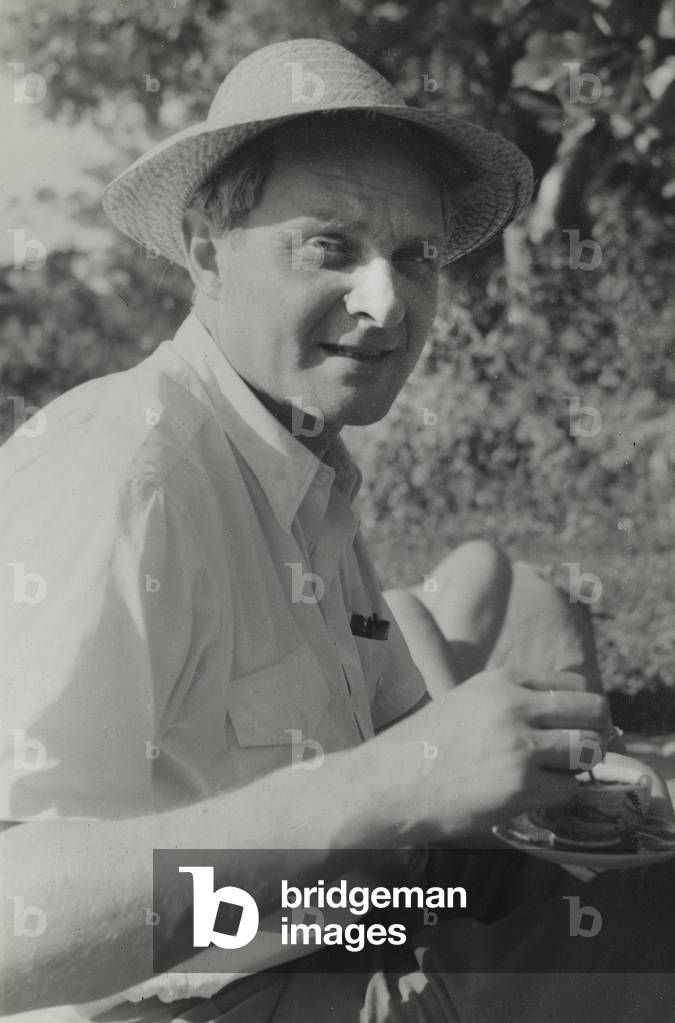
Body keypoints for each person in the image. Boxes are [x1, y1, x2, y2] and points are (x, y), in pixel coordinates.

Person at [1, 38, 673, 1023]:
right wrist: (390, 783)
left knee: (632, 896)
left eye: (415, 257)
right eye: (330, 245)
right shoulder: (122, 475)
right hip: (185, 1001)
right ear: (205, 249)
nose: (387, 299)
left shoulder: (304, 469)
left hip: (346, 925)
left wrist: (520, 795)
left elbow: (389, 773)